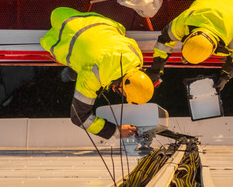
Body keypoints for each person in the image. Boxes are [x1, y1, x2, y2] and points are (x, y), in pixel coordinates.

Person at [40, 7, 154, 139]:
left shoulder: (137, 57)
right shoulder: (92, 76)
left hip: (87, 19)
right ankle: (72, 72)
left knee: (56, 13)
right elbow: (79, 117)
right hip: (62, 33)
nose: (119, 93)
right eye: (123, 93)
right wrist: (116, 131)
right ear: (123, 86)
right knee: (70, 74)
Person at [147, 0, 233, 91]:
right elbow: (164, 41)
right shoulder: (186, 19)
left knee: (231, 51)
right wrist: (155, 70)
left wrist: (226, 75)